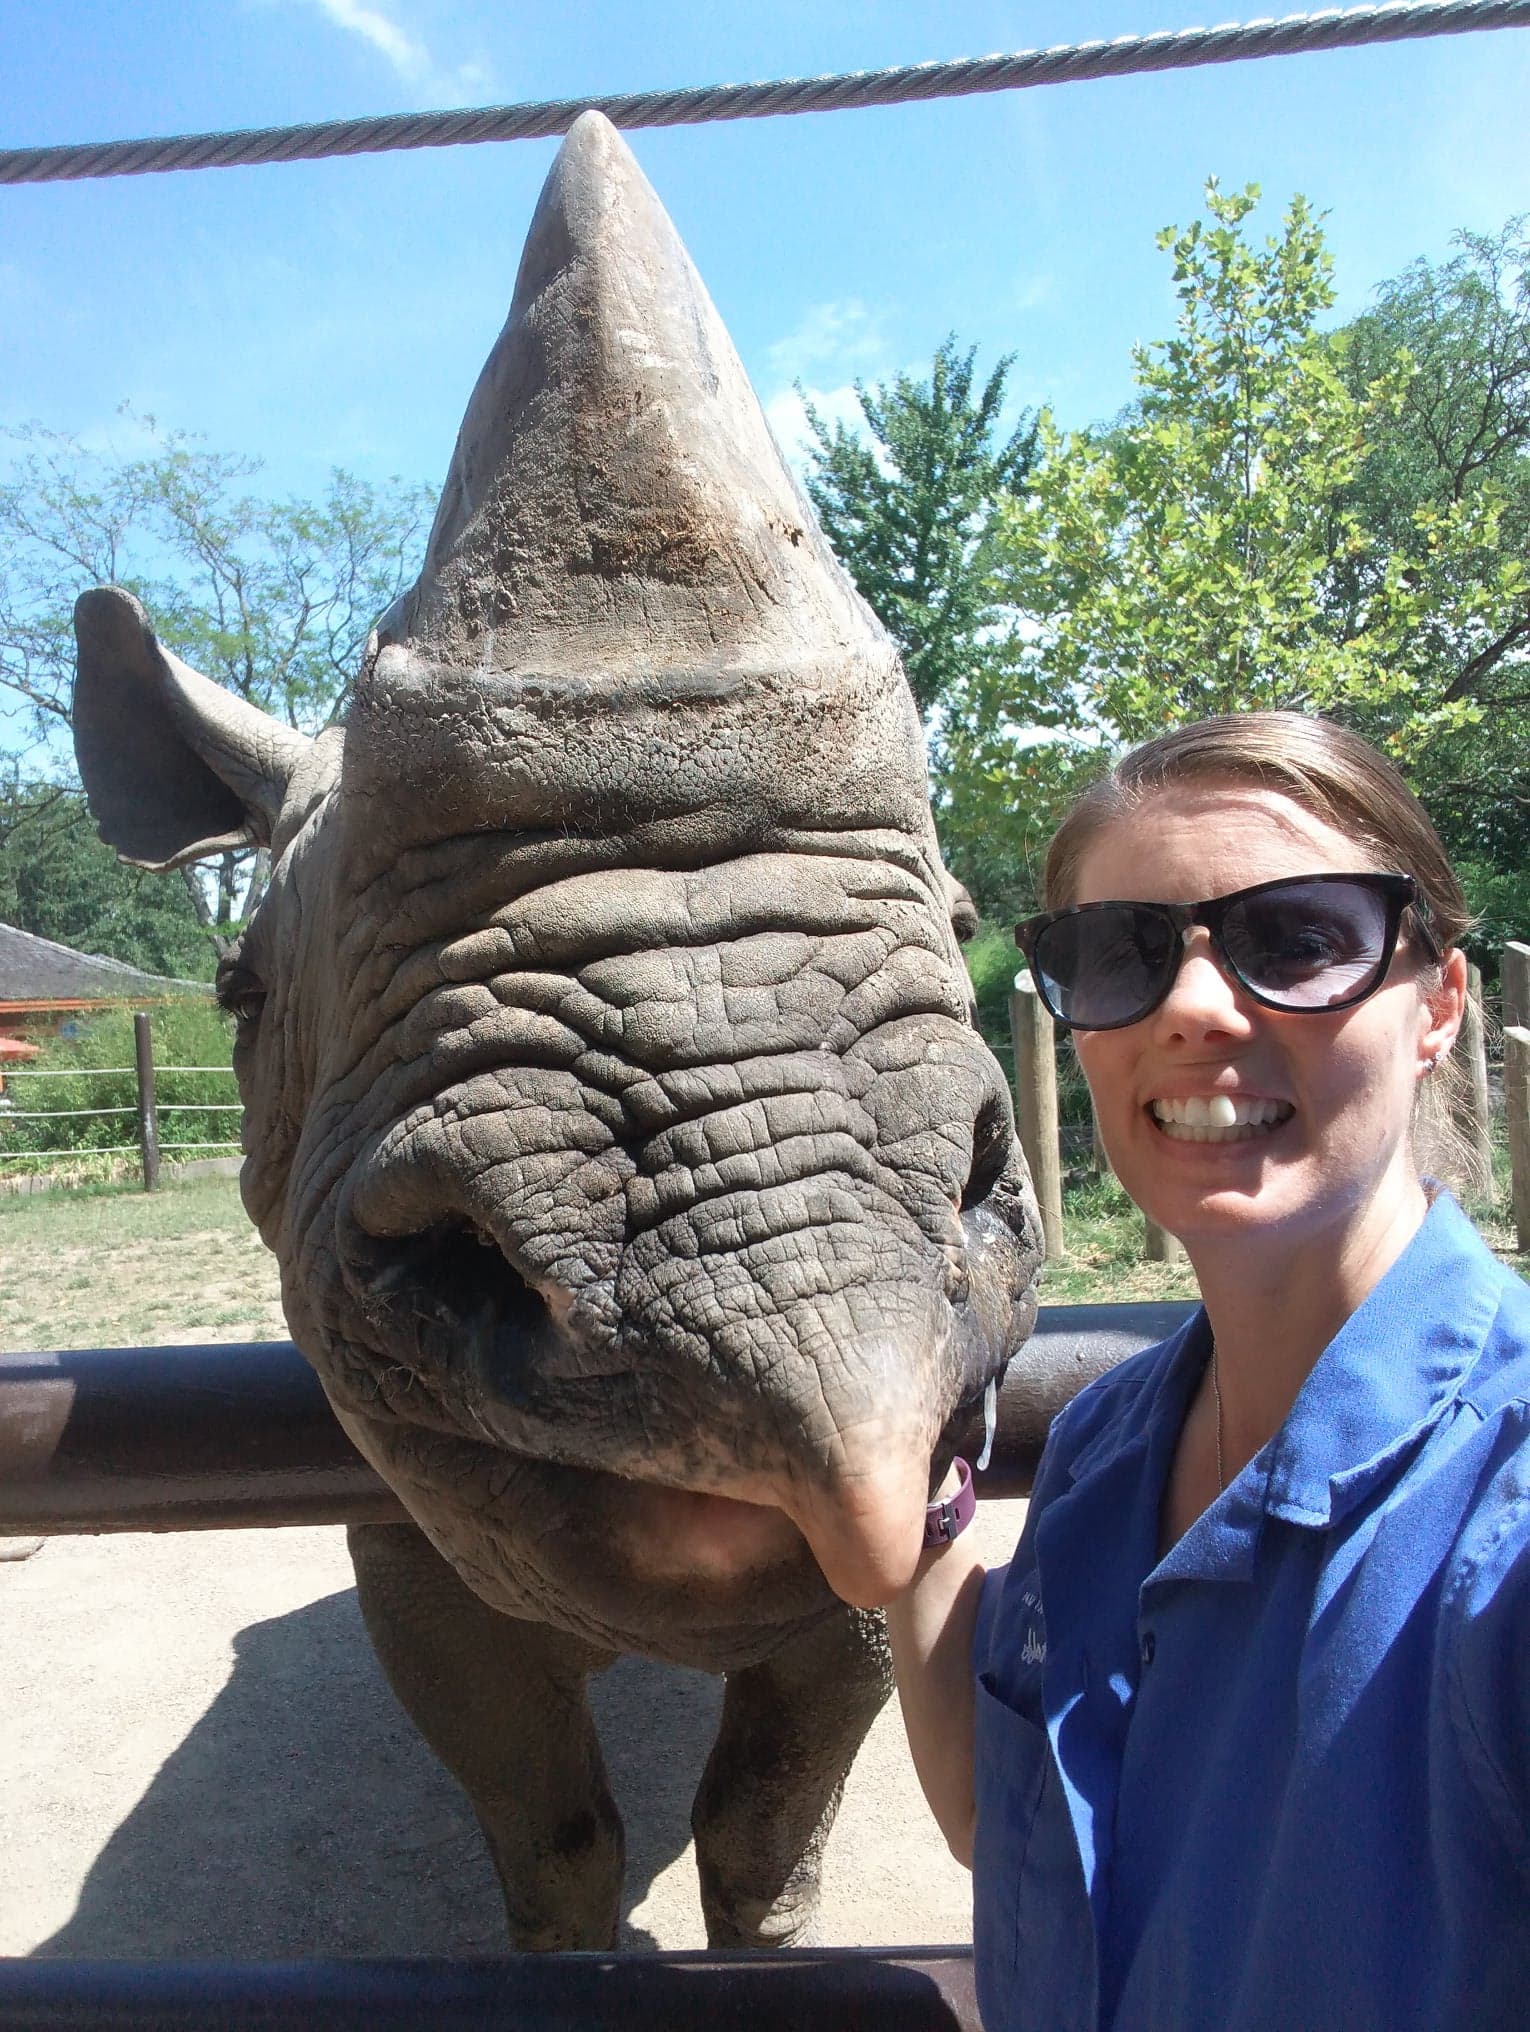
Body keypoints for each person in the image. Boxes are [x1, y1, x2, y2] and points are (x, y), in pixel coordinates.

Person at [888, 711, 1530, 2032]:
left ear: (1437, 1007)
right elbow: (1003, 1835)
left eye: (1295, 938)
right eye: (1117, 952)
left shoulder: (1501, 1517)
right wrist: (918, 1490)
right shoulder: (1106, 1444)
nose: (1186, 1007)